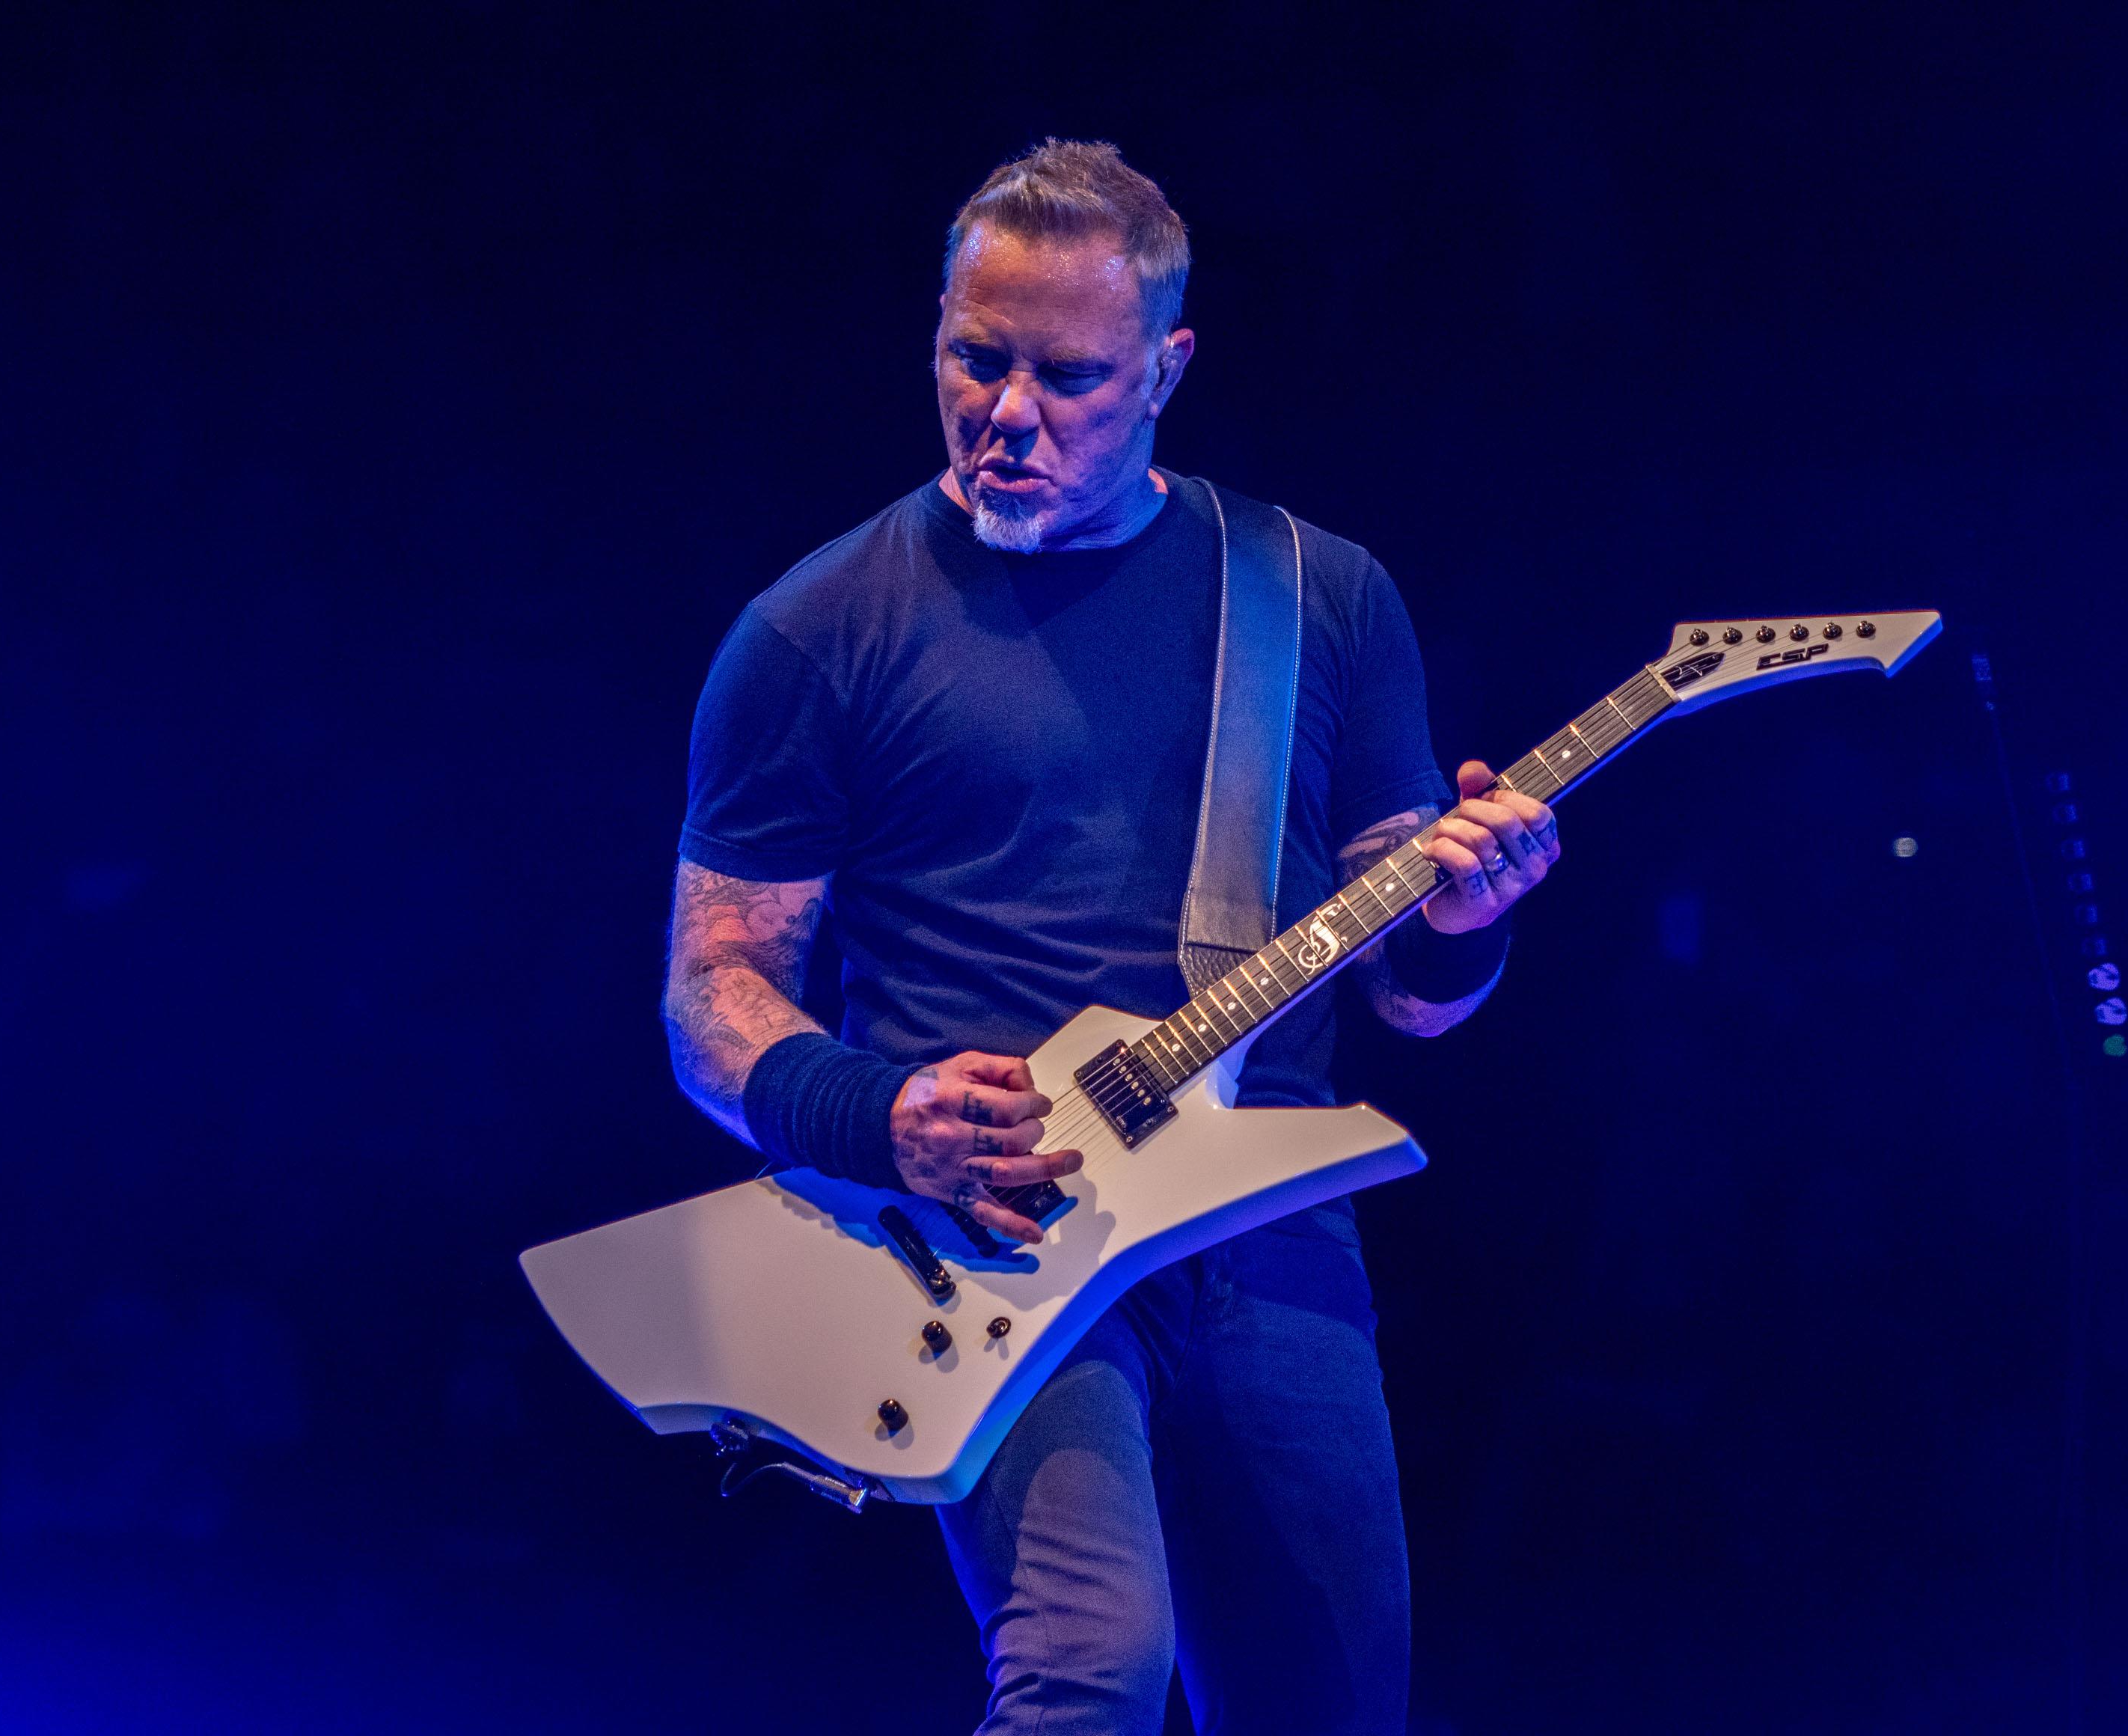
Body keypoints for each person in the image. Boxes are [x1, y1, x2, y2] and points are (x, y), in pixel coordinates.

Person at [662, 139, 1562, 1736]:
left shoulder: (1319, 596)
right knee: (1088, 1672)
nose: (1007, 412)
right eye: (974, 358)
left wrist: (1465, 924)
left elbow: (1414, 997)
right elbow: (712, 990)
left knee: (1331, 1709)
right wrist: (877, 1113)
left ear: (1165, 370)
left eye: (1067, 375)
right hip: (997, 1235)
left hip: (1268, 1223)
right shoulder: (815, 629)